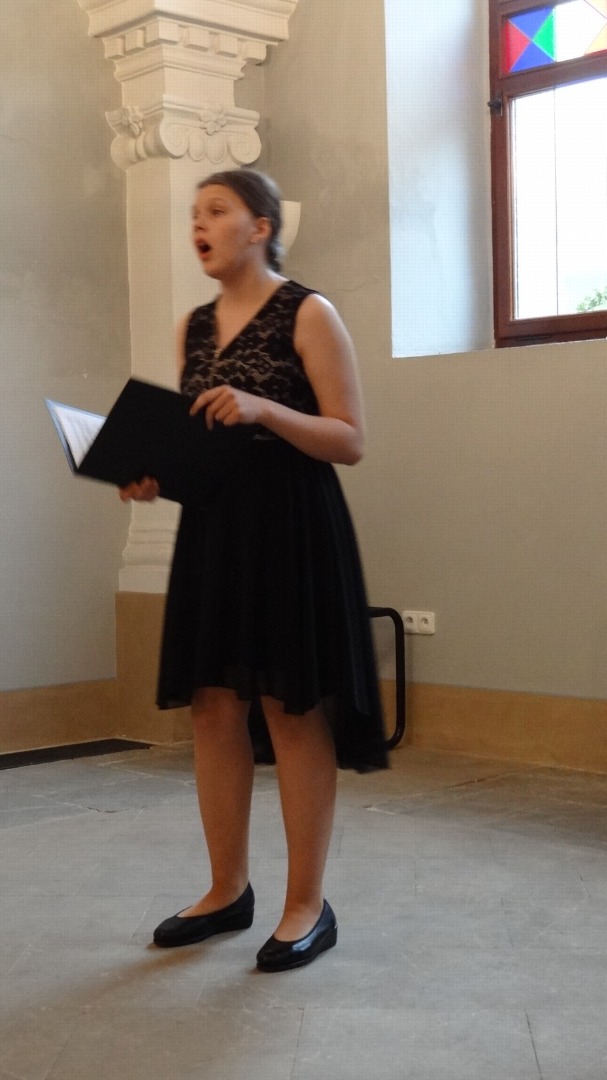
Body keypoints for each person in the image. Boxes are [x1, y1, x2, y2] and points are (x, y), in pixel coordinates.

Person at [119, 169, 388, 973]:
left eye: (216, 210)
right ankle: (224, 890)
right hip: (214, 530)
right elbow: (199, 442)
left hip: (292, 528)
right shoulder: (193, 327)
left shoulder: (309, 312)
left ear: (260, 227)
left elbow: (349, 439)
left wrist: (265, 407)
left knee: (290, 707)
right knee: (211, 707)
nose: (197, 225)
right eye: (192, 214)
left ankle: (306, 903)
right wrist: (153, 476)